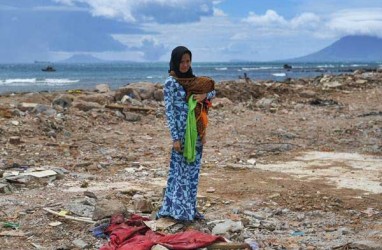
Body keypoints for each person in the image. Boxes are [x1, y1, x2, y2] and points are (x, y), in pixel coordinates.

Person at [156, 46, 216, 221]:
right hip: (182, 136)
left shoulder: (194, 81)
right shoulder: (171, 83)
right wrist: (174, 137)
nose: (185, 65)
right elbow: (170, 112)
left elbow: (212, 91)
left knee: (193, 172)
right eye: (181, 61)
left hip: (196, 133)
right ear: (175, 62)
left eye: (188, 61)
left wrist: (204, 95)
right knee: (179, 172)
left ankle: (189, 209)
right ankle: (176, 210)